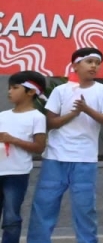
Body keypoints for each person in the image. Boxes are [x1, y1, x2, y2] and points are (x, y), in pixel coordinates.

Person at [27, 47, 103, 243]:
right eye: (89, 61)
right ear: (75, 65)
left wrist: (86, 109)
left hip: (85, 159)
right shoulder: (61, 90)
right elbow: (50, 123)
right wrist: (73, 114)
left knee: (85, 209)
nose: (94, 66)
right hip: (55, 158)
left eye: (97, 63)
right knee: (44, 205)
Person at [0, 70, 48, 243]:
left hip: (16, 173)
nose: (9, 91)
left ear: (31, 91)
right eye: (9, 88)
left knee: (11, 217)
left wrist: (12, 140)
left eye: (15, 87)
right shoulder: (2, 116)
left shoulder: (37, 117)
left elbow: (39, 146)